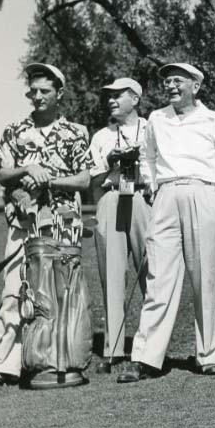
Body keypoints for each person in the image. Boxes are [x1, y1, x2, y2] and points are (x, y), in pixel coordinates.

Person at [117, 62, 215, 381]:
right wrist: (155, 189)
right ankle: (146, 358)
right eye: (167, 81)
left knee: (204, 280)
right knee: (159, 277)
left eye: (177, 81)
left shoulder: (214, 120)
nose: (171, 86)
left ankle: (207, 355)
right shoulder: (156, 118)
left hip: (203, 194)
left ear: (195, 86)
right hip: (167, 195)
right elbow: (148, 158)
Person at [0, 63, 91, 387]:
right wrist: (27, 168)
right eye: (33, 91)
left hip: (62, 229)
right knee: (13, 292)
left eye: (44, 91)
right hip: (23, 223)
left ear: (59, 93)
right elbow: (2, 173)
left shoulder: (76, 132)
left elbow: (85, 178)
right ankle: (4, 364)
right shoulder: (14, 131)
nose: (37, 96)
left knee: (58, 295)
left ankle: (55, 360)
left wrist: (50, 179)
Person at [90, 78, 151, 372]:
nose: (111, 100)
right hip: (112, 197)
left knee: (152, 274)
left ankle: (150, 346)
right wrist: (109, 160)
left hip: (142, 198)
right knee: (111, 276)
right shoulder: (101, 135)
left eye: (118, 95)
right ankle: (113, 349)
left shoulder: (152, 129)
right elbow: (91, 178)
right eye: (109, 96)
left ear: (135, 99)